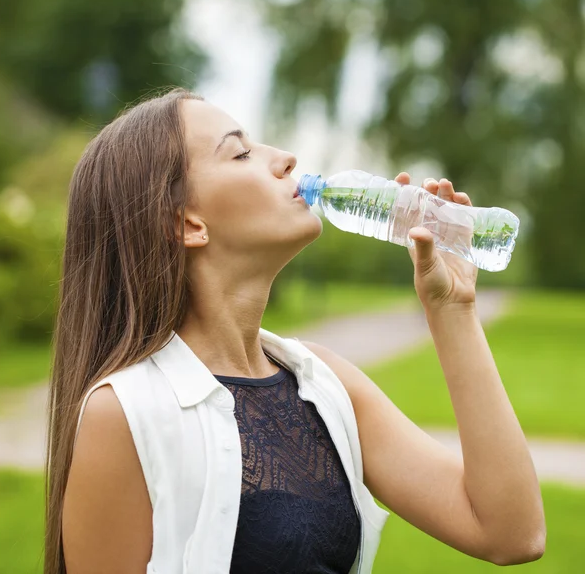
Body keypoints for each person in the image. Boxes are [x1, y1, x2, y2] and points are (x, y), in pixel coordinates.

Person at [45, 88, 545, 574]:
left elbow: (510, 533)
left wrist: (453, 308)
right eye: (240, 153)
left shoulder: (324, 383)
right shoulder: (125, 415)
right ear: (187, 224)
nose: (285, 158)